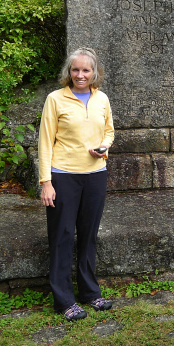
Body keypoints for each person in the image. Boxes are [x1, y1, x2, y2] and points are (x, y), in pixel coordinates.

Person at [38, 47, 115, 321]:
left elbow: (109, 130)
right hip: (63, 175)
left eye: (86, 70)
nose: (80, 75)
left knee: (88, 235)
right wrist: (46, 182)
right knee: (62, 236)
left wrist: (104, 147)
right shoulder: (55, 99)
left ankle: (90, 294)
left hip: (96, 175)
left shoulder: (102, 98)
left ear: (95, 73)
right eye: (75, 69)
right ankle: (63, 301)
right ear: (68, 72)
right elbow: (46, 141)